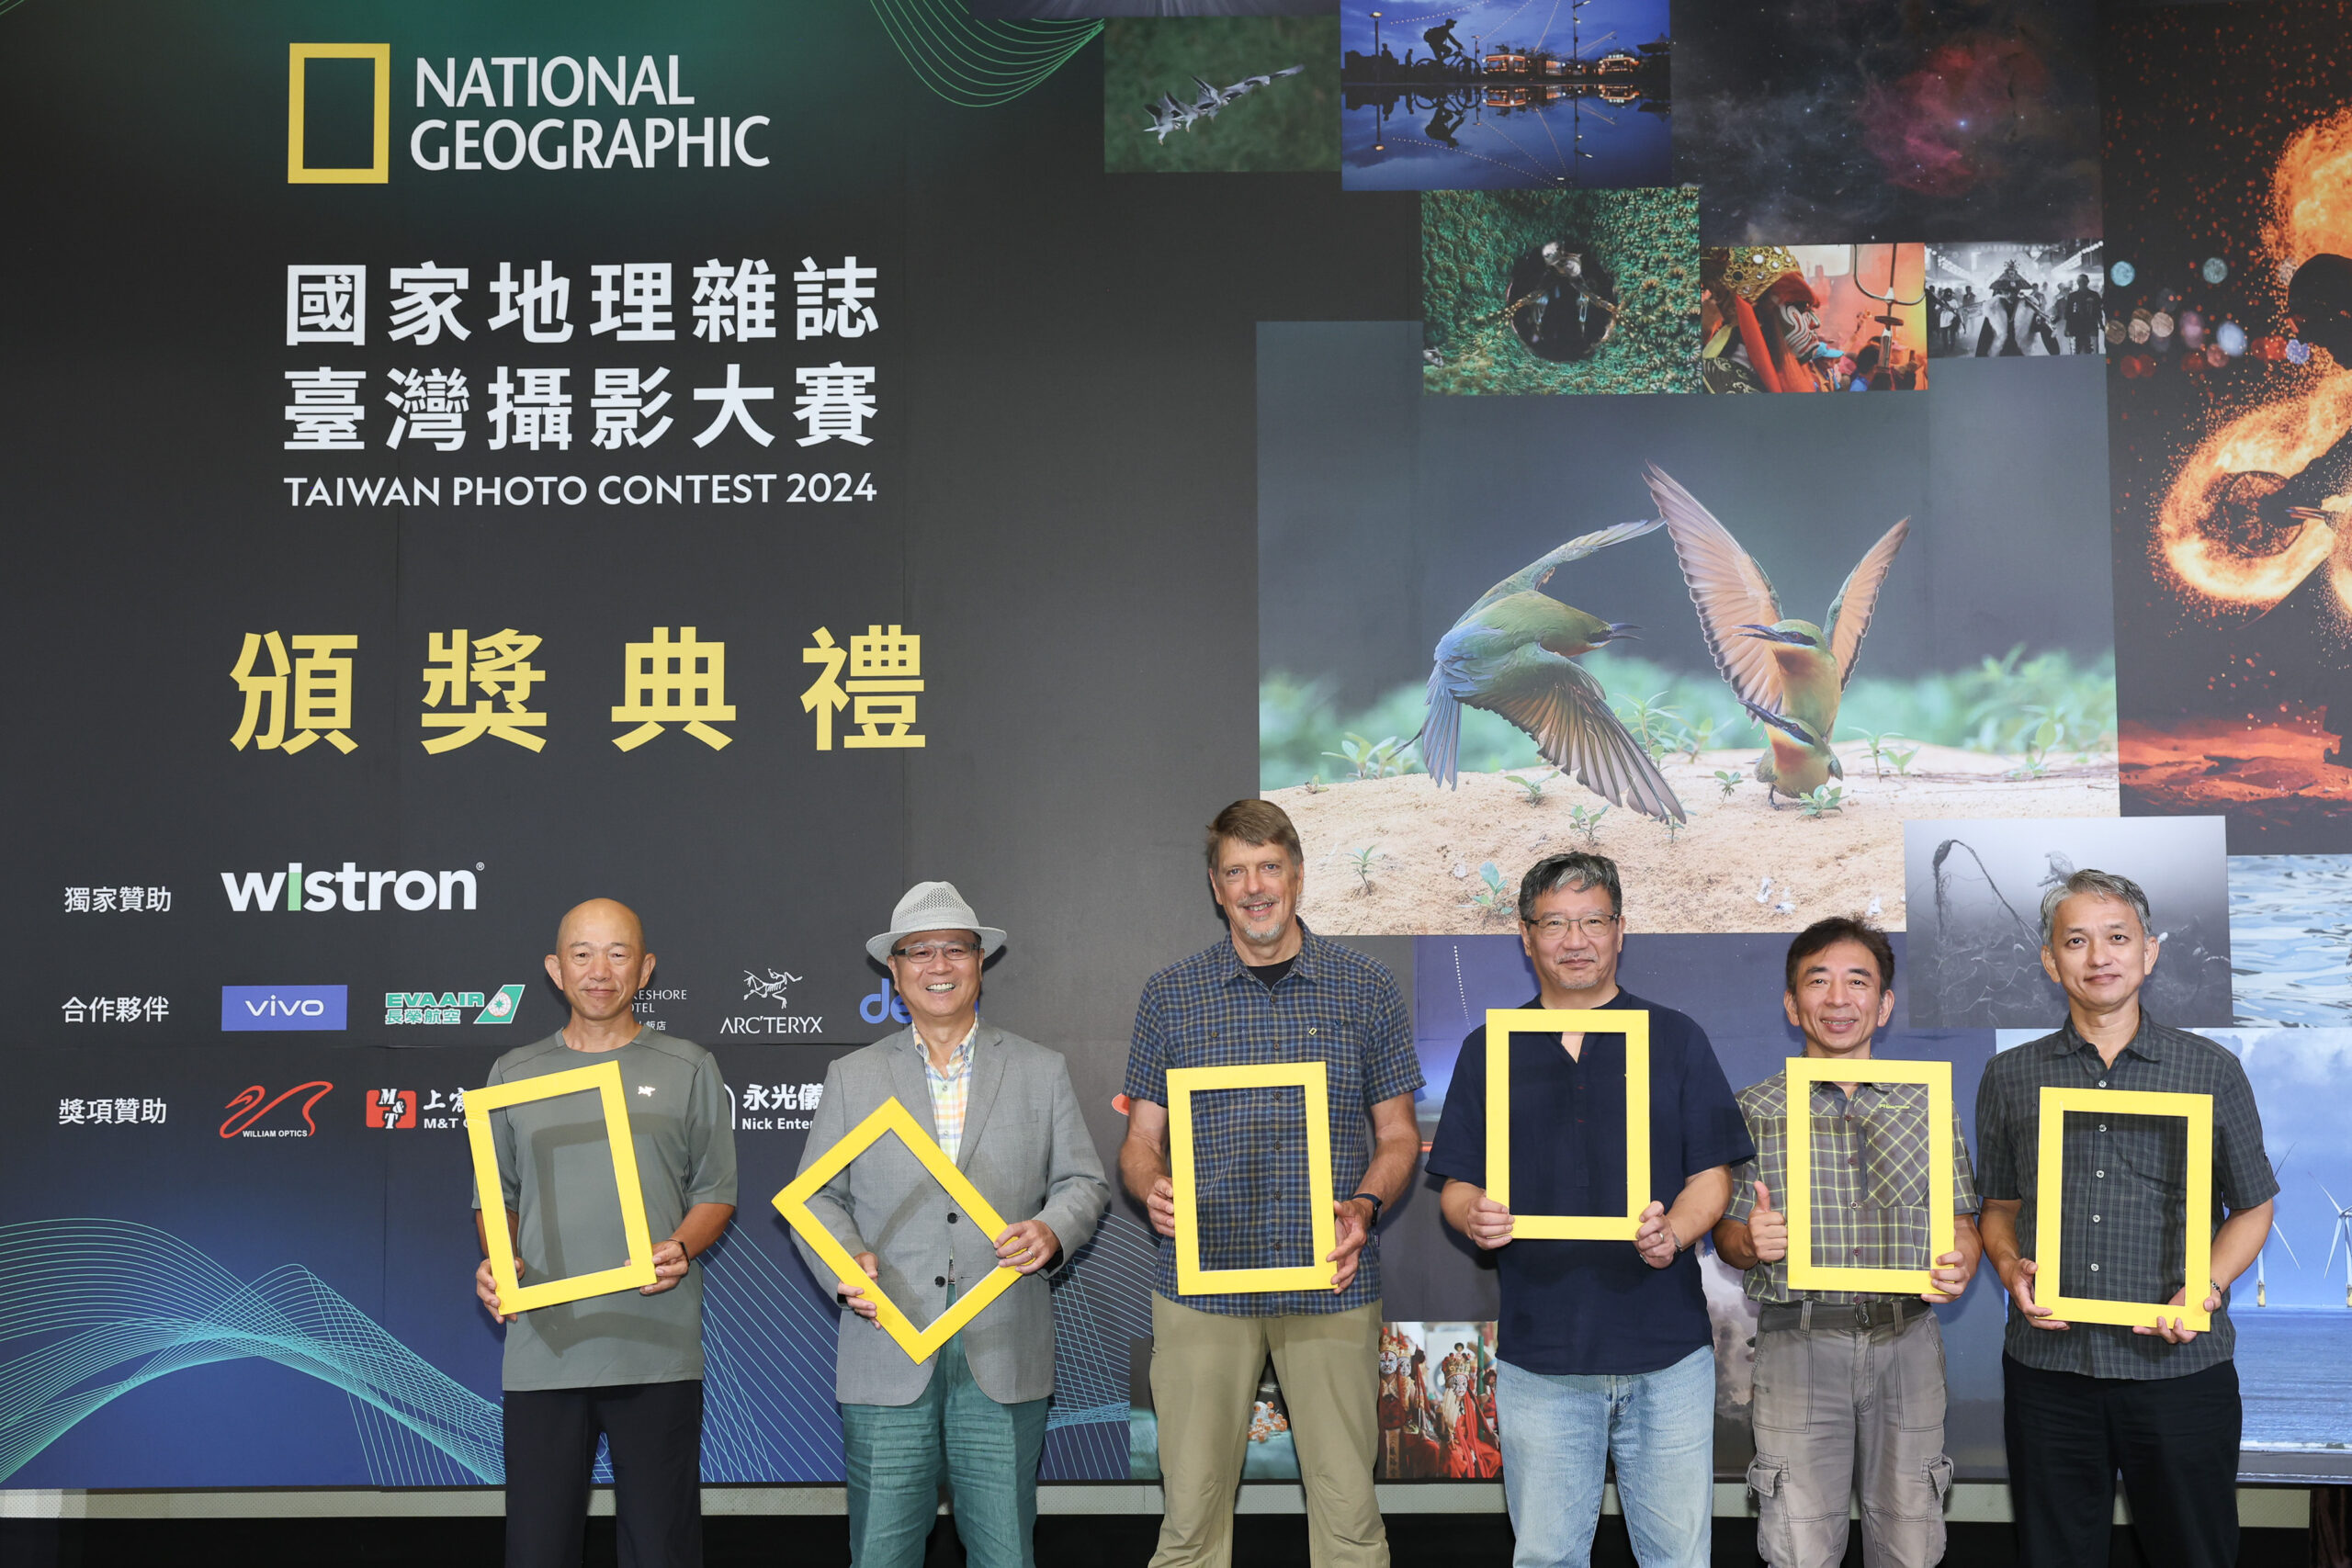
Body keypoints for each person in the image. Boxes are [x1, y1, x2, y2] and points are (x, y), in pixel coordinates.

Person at [1427, 852, 1753, 1568]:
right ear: (1526, 935)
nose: (1575, 939)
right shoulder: (1488, 1049)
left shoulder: (1676, 1037)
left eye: (1593, 920)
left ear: (1620, 929)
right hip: (1542, 1356)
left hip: (1667, 1353)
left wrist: (1676, 1230)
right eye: (1554, 923)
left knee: (1678, 1559)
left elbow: (1712, 1176)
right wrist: (1472, 1212)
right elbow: (1455, 1182)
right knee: (1547, 1557)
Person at [1120, 799, 1424, 1568]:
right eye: (1235, 871)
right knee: (1188, 1523)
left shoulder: (1365, 986)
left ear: (1297, 874)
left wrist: (1364, 1205)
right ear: (1215, 887)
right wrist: (1153, 1185)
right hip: (1200, 1288)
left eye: (1268, 867)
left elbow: (1398, 1136)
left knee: (1350, 1519)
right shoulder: (1171, 992)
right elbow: (1140, 1143)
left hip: (1330, 1280)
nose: (1254, 887)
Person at [791, 881, 1111, 1568]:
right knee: (881, 1554)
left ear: (979, 962)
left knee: (1005, 1553)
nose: (939, 965)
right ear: (895, 969)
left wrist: (1053, 1230)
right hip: (888, 1345)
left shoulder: (1040, 1070)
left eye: (956, 949)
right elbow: (814, 1199)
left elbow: (1083, 1183)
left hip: (1004, 1349)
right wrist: (845, 1261)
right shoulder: (852, 1076)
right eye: (920, 951)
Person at [1974, 869, 2278, 1568]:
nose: (2099, 957)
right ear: (2050, 960)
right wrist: (2008, 1265)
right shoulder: (2010, 1075)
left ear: (2150, 951)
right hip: (2049, 1373)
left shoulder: (2211, 1070)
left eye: (2117, 937)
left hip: (2180, 1372)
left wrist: (2206, 1285)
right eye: (2076, 940)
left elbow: (2253, 1205)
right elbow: (2000, 1207)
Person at [474, 898, 738, 1568]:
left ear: (644, 969)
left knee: (661, 1548)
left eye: (618, 954)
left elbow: (716, 1192)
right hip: (544, 1348)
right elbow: (495, 1198)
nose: (600, 971)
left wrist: (680, 1246)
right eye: (582, 953)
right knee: (537, 1548)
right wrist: (500, 1260)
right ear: (555, 969)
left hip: (655, 1347)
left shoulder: (688, 1066)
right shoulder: (512, 1073)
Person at [1713, 918, 1984, 1567]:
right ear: (1792, 1004)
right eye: (1818, 981)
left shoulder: (1927, 1104)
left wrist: (1962, 1261)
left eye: (1857, 982)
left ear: (1884, 1005)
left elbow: (1962, 1223)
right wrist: (1750, 1240)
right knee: (1799, 1545)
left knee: (1911, 1542)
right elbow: (1725, 1236)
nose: (1838, 999)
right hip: (1797, 1341)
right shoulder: (1752, 1109)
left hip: (1907, 1340)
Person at [2060, 275, 2105, 355]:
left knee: (2092, 350)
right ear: (2077, 283)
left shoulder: (2094, 295)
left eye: (2084, 281)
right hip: (2077, 327)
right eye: (2080, 281)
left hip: (2091, 326)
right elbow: (2068, 313)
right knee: (2077, 350)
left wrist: (2101, 324)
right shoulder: (2073, 296)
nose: (2082, 283)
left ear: (2087, 282)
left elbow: (2098, 311)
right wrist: (2067, 328)